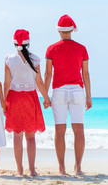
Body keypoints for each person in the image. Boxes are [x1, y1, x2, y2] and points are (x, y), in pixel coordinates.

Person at [44, 14, 92, 176]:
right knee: (79, 129)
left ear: (59, 31)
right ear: (72, 30)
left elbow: (48, 75)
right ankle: (78, 168)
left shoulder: (51, 49)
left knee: (59, 131)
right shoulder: (82, 48)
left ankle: (62, 168)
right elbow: (85, 74)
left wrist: (45, 96)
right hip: (78, 91)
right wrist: (89, 96)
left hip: (59, 91)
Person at [4, 29, 51, 176]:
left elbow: (6, 84)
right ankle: (32, 170)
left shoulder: (9, 60)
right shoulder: (36, 59)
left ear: (14, 43)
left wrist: (2, 102)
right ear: (28, 43)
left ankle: (19, 169)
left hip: (14, 98)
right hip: (30, 98)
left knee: (17, 136)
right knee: (31, 137)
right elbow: (39, 81)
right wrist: (46, 98)